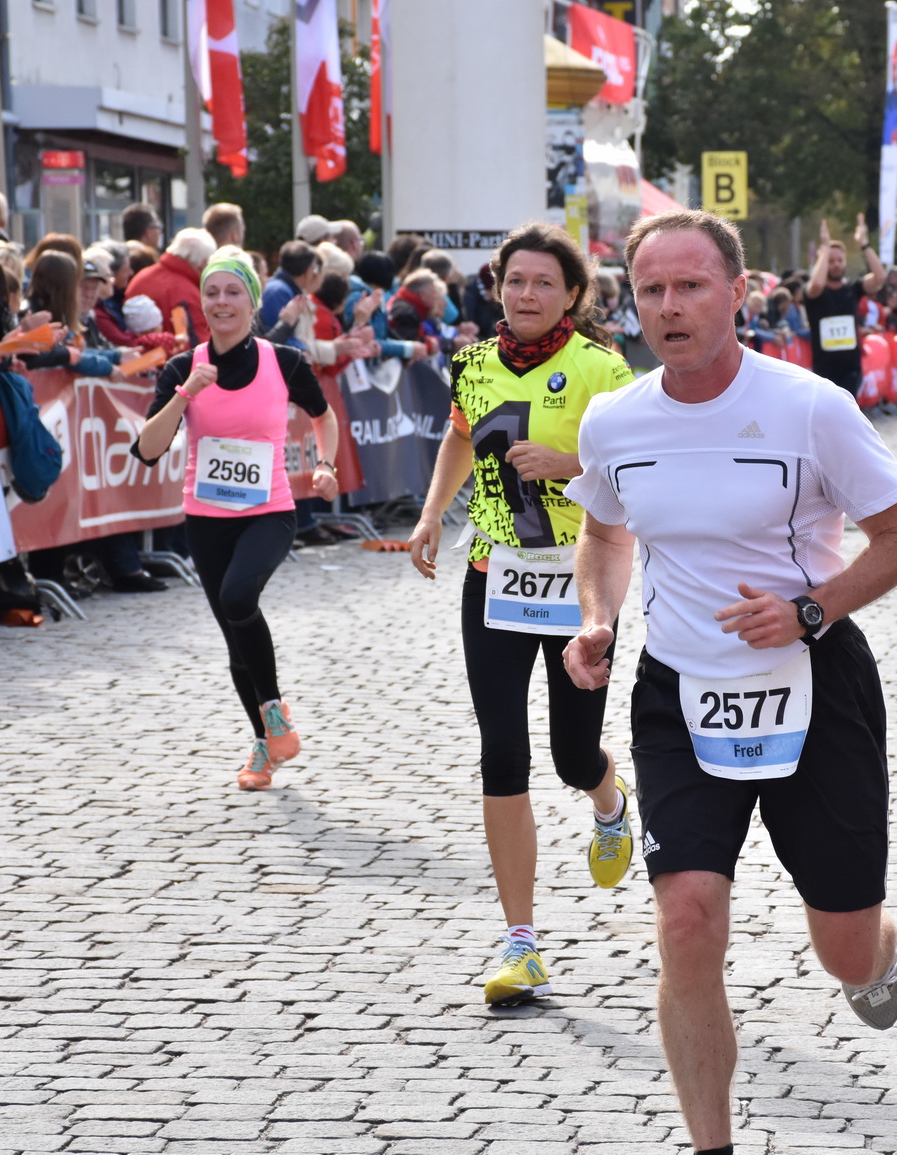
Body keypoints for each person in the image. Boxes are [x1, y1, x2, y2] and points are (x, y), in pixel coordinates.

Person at [561, 210, 897, 1155]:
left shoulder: (810, 407)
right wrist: (597, 617)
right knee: (685, 916)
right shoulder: (616, 420)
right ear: (631, 302)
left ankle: (875, 955)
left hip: (814, 682)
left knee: (842, 946)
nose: (671, 306)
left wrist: (812, 607)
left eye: (690, 286)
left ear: (736, 291)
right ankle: (710, 1144)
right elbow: (605, 533)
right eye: (652, 290)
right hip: (679, 691)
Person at [403, 222, 638, 1007]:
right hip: (495, 578)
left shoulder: (603, 368)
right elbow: (460, 439)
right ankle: (522, 941)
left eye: (544, 282)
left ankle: (609, 798)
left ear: (572, 293)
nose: (527, 294)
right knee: (502, 752)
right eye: (515, 281)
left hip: (581, 583)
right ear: (496, 287)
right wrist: (435, 512)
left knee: (572, 757)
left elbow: (636, 469)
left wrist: (571, 464)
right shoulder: (472, 363)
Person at [130, 250, 340, 791]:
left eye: (233, 292)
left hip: (269, 512)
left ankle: (272, 714)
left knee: (238, 598)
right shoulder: (185, 367)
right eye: (213, 293)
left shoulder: (284, 361)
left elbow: (323, 416)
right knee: (235, 638)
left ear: (251, 300)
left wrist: (323, 464)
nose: (222, 302)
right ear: (202, 302)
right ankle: (266, 743)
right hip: (206, 519)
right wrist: (185, 394)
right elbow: (147, 450)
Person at [802, 213, 886, 397]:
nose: (836, 265)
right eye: (831, 261)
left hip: (851, 368)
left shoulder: (853, 289)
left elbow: (880, 277)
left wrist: (864, 245)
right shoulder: (814, 293)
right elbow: (816, 284)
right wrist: (824, 248)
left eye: (840, 260)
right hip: (824, 370)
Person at [126, 228, 215, 343]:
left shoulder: (142, 277)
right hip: (172, 357)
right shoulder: (187, 293)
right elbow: (200, 342)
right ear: (201, 262)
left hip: (138, 355)